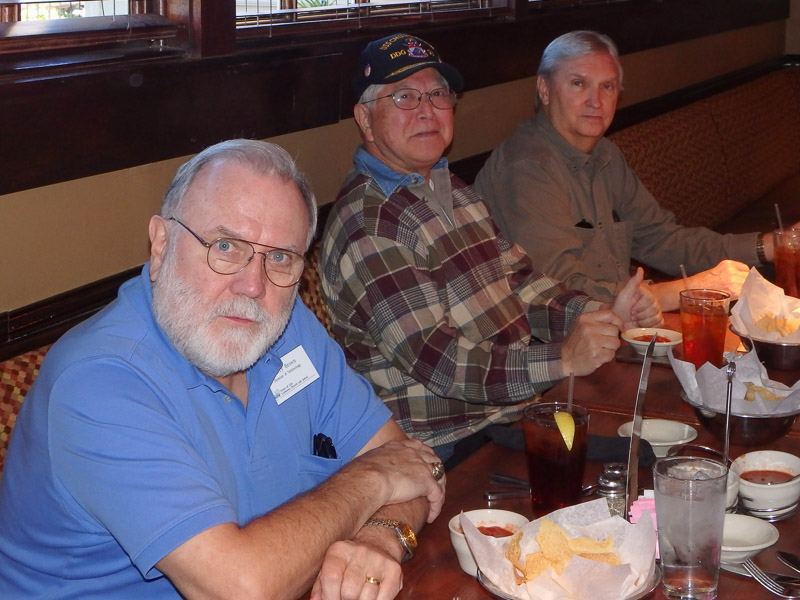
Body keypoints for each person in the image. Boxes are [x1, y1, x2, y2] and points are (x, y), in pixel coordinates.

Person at [0, 139, 447, 600]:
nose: (252, 285)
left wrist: (380, 538)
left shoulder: (289, 329)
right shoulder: (99, 382)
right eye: (226, 245)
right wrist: (373, 479)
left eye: (280, 257)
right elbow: (240, 589)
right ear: (160, 244)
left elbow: (413, 461)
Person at [319, 33, 662, 465]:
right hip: (443, 450)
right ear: (365, 119)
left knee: (661, 454)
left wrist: (600, 315)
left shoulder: (451, 191)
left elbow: (521, 282)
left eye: (438, 95)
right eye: (404, 97)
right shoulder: (369, 224)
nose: (427, 111)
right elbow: (442, 363)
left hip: (511, 415)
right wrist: (562, 359)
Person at [474, 30, 792, 312]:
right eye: (578, 84)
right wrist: (681, 291)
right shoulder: (527, 169)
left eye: (607, 87)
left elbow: (661, 239)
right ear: (544, 90)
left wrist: (773, 245)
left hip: (620, 328)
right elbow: (559, 292)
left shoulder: (606, 155)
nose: (595, 101)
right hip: (554, 355)